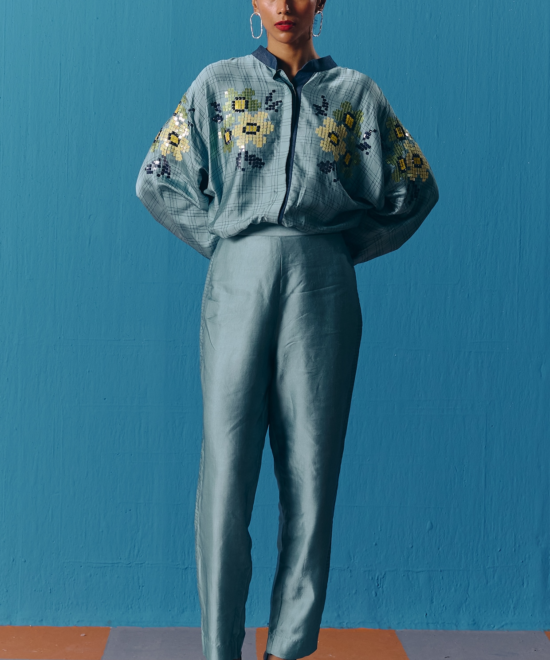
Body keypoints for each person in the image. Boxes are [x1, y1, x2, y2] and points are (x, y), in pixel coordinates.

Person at [135, 1, 439, 658]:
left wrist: (340, 249)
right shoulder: (218, 84)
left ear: (320, 1)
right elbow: (157, 180)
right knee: (225, 474)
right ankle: (221, 648)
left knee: (312, 473)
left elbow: (415, 189)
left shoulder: (355, 94)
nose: (284, 5)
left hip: (323, 287)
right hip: (237, 281)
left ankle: (289, 648)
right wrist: (224, 241)